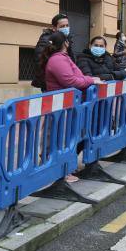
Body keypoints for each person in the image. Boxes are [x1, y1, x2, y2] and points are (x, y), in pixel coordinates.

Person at [42, 32, 101, 183]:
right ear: (65, 43)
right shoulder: (57, 60)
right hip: (60, 108)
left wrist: (86, 79)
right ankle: (59, 172)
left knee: (65, 138)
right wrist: (90, 80)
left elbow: (78, 77)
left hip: (67, 107)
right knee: (58, 139)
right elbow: (71, 81)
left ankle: (63, 169)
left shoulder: (63, 58)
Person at [33, 13, 73, 91]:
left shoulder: (67, 39)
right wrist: (48, 83)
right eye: (62, 26)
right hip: (51, 86)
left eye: (67, 25)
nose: (66, 28)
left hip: (64, 83)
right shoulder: (46, 40)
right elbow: (39, 63)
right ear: (54, 28)